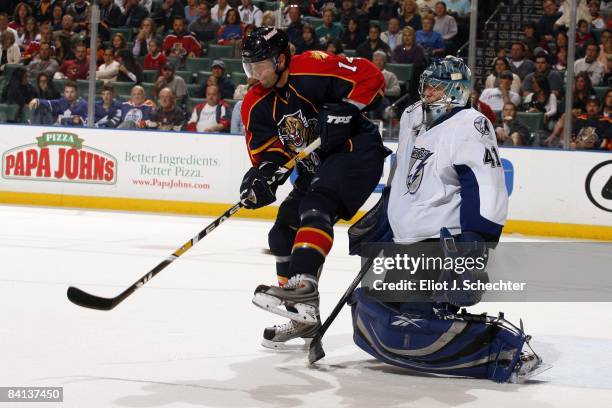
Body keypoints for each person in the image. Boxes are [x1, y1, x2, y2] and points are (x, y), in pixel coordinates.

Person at [348, 56, 545, 384]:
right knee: (377, 306)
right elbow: (403, 173)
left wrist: (473, 243)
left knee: (415, 319)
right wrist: (384, 217)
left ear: (457, 90)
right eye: (427, 85)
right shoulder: (413, 115)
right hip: (405, 239)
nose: (428, 91)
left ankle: (501, 348)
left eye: (437, 87)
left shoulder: (470, 123)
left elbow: (484, 184)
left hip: (441, 241)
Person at [240, 27, 389, 348]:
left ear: (281, 60)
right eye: (249, 67)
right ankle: (302, 316)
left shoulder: (313, 67)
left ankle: (303, 286)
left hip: (356, 151)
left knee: (316, 206)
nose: (254, 74)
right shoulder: (255, 102)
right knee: (281, 232)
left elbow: (372, 77)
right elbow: (269, 151)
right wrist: (264, 173)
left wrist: (348, 108)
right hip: (316, 165)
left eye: (260, 65)